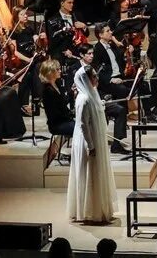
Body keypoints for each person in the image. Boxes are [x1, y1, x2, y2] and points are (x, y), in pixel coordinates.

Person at [67, 65, 117, 224]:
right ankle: (90, 211)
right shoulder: (84, 98)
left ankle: (100, 209)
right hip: (88, 141)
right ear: (86, 79)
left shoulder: (92, 94)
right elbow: (83, 124)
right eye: (94, 76)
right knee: (89, 175)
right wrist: (91, 146)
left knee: (97, 173)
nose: (97, 78)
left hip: (95, 138)